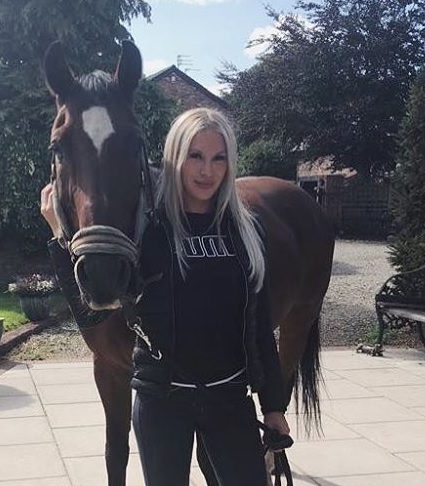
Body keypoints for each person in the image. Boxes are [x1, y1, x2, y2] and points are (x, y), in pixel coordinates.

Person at [41, 108, 290, 486]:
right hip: (162, 402)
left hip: (229, 398)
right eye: (195, 156)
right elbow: (96, 314)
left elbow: (259, 323)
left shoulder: (244, 231)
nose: (207, 171)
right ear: (175, 157)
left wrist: (273, 406)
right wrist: (62, 242)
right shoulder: (149, 231)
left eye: (218, 158)